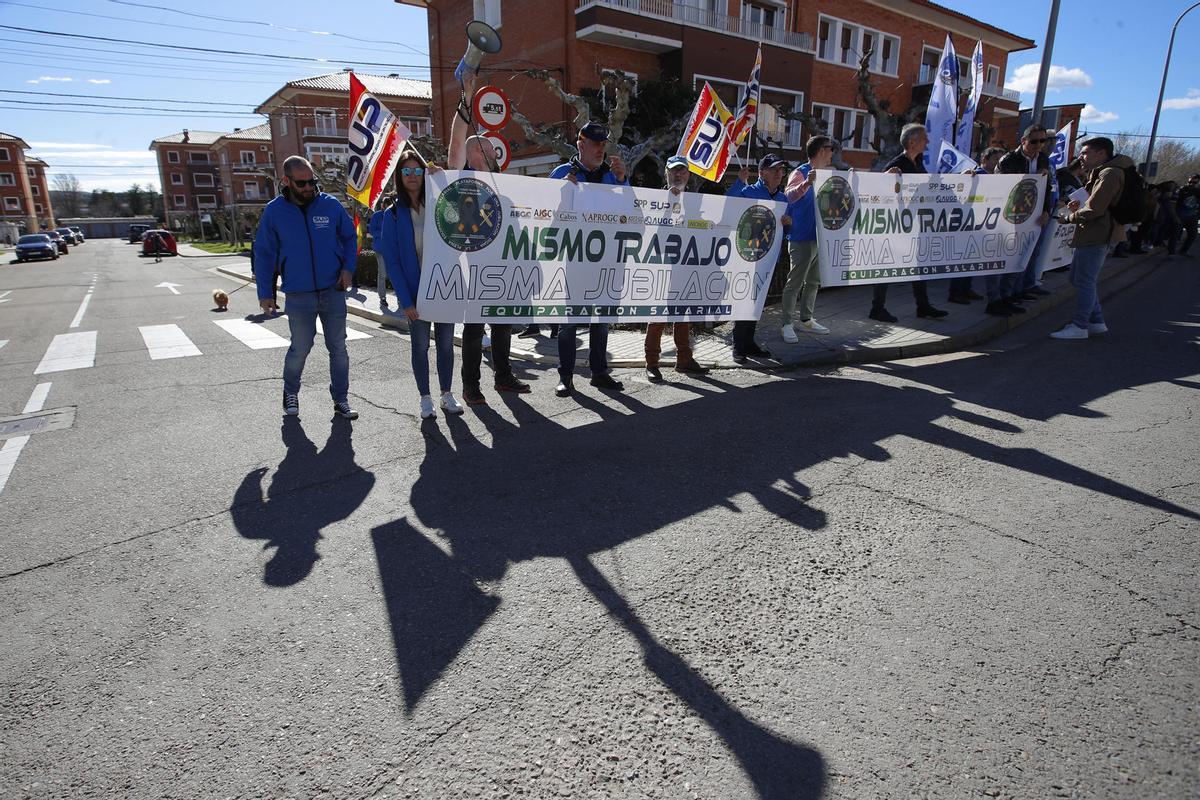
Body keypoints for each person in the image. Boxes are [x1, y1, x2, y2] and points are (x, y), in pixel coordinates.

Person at [446, 73, 529, 405]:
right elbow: (456, 142)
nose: (481, 153)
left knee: (504, 324)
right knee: (474, 328)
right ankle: (471, 385)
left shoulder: (508, 187)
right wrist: (466, 96)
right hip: (473, 267)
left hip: (503, 266)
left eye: (485, 149)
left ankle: (503, 376)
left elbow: (520, 226)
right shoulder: (460, 182)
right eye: (474, 150)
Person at [254, 155, 359, 419]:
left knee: (339, 348)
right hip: (298, 293)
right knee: (300, 348)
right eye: (301, 184)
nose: (308, 188)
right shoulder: (274, 211)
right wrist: (266, 293)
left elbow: (349, 238)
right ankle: (290, 392)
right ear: (286, 181)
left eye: (312, 181)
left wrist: (348, 268)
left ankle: (341, 399)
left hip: (332, 290)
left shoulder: (331, 205)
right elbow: (265, 253)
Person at [375, 151, 464, 419]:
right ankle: (425, 398)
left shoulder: (439, 203)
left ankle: (447, 394)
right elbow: (392, 262)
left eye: (417, 171)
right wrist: (406, 301)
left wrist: (442, 181)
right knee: (420, 346)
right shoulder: (392, 215)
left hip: (443, 287)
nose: (412, 177)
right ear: (399, 177)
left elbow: (460, 220)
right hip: (416, 293)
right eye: (406, 172)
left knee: (447, 345)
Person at [547, 121, 628, 396]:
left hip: (605, 262)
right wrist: (559, 192)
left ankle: (599, 372)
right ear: (581, 145)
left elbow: (629, 215)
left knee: (601, 322)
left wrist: (622, 182)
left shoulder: (610, 175)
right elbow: (546, 218)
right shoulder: (561, 173)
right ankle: (566, 377)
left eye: (604, 145)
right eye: (596, 144)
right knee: (569, 325)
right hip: (573, 263)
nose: (601, 150)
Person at [1050, 137, 1134, 340]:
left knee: (1085, 281)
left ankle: (1080, 325)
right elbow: (1094, 204)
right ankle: (1096, 321)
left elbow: (1095, 209)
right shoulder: (1104, 172)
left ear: (1101, 153)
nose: (1081, 157)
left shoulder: (1110, 174)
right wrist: (1079, 209)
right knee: (1077, 278)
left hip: (1098, 233)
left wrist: (1069, 218)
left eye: (1086, 152)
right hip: (1091, 232)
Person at [872, 124, 948, 323]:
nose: (928, 142)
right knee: (886, 266)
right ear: (912, 142)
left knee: (919, 265)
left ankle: (923, 306)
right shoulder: (896, 164)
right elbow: (878, 191)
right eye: (924, 138)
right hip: (895, 225)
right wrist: (886, 178)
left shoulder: (919, 163)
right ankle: (877, 309)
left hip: (914, 224)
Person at [644, 155, 711, 381]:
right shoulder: (655, 200)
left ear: (688, 175)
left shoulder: (695, 201)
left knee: (683, 316)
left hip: (684, 267)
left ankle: (684, 359)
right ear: (666, 173)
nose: (678, 175)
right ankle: (651, 363)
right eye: (673, 171)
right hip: (662, 268)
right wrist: (668, 206)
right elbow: (653, 233)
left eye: (682, 171)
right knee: (657, 317)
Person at [727, 152, 789, 362]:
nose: (779, 174)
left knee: (757, 303)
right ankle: (738, 346)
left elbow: (786, 232)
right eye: (774, 170)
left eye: (781, 170)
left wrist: (789, 224)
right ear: (762, 173)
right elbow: (729, 203)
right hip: (747, 257)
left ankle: (749, 342)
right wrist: (738, 181)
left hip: (769, 260)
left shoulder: (782, 198)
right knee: (744, 301)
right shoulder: (748, 191)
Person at [779, 136, 833, 341]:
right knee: (795, 283)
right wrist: (807, 184)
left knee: (813, 281)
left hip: (820, 236)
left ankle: (806, 319)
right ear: (821, 151)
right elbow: (788, 196)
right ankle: (786, 324)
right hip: (801, 236)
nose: (832, 153)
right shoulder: (800, 172)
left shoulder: (828, 174)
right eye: (830, 149)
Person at [998, 125, 1055, 301]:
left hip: (1036, 215)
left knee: (1031, 252)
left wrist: (1046, 210)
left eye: (1043, 141)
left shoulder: (1044, 159)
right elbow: (1001, 188)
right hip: (1014, 214)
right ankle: (1005, 294)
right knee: (1013, 255)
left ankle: (1021, 288)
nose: (1039, 145)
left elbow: (1046, 189)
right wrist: (1031, 177)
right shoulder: (1009, 160)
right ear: (1024, 141)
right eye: (1034, 141)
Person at [948, 147, 1004, 305]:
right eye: (995, 159)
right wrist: (963, 178)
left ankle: (966, 288)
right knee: (962, 259)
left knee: (972, 257)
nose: (998, 163)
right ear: (985, 160)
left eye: (1000, 160)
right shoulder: (975, 174)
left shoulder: (997, 177)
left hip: (981, 223)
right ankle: (955, 292)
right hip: (967, 222)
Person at [369, 196, 395, 313]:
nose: (387, 206)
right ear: (382, 205)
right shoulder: (376, 216)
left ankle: (400, 297)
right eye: (386, 204)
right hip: (380, 249)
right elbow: (372, 231)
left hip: (393, 249)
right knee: (383, 274)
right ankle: (382, 297)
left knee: (395, 273)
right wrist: (384, 233)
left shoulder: (394, 214)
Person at [1175, 173, 1199, 257]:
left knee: (1193, 235)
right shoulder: (1182, 190)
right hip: (1181, 214)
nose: (1191, 184)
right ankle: (1171, 252)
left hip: (1192, 216)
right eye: (1190, 182)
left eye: (1194, 182)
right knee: (1176, 234)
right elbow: (1175, 201)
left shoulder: (1198, 191)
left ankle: (1183, 251)